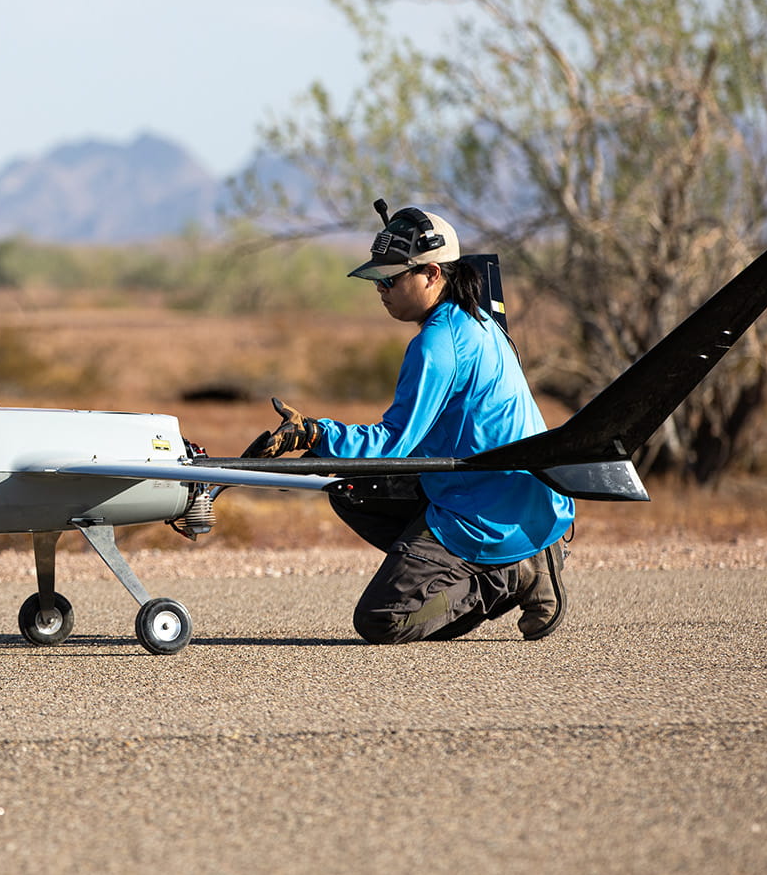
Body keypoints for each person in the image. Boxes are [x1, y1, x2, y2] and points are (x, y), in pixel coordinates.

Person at [246, 205, 574, 643]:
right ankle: (506, 561)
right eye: (377, 280)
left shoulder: (437, 345)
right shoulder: (476, 317)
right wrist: (325, 449)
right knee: (350, 490)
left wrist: (319, 433)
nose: (380, 290)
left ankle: (511, 572)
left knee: (383, 620)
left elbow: (393, 445)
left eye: (390, 279)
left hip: (490, 511)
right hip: (515, 493)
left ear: (432, 273)